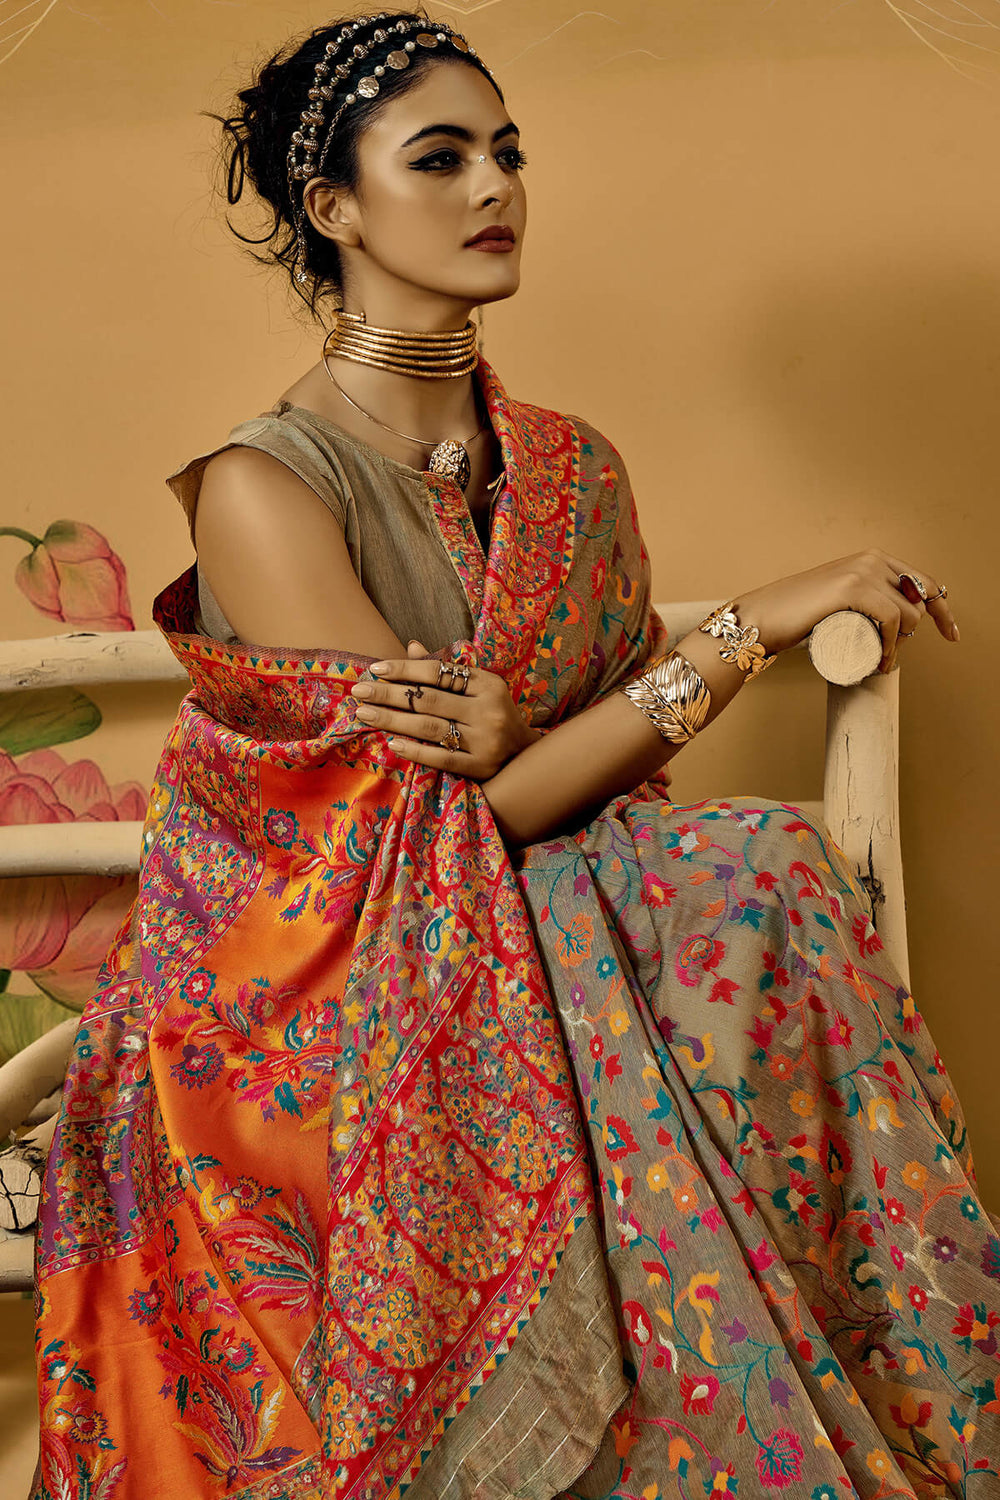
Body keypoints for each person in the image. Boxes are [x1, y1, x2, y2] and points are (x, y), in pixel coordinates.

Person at [30, 12, 999, 1500]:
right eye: (439, 158)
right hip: (317, 990)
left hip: (524, 911)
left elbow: (572, 789)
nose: (495, 187)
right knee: (741, 879)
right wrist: (744, 628)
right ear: (333, 208)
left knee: (749, 876)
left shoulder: (571, 468)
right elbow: (436, 842)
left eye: (507, 151)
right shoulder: (264, 489)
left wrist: (534, 746)